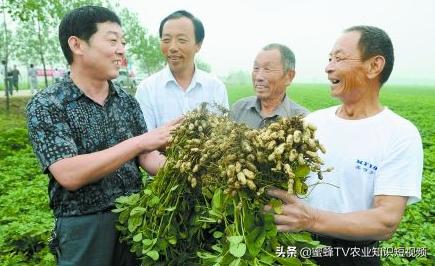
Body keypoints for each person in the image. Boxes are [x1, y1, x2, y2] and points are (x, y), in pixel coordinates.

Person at [26, 6, 180, 265]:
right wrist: (139, 142)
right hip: (83, 227)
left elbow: (147, 156)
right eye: (112, 40)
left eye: (123, 42)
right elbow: (69, 174)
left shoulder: (126, 102)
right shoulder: (48, 104)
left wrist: (190, 171)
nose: (121, 49)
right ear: (77, 44)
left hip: (134, 219)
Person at [265, 26, 423, 266]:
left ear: (374, 66)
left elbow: (386, 221)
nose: (328, 67)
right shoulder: (312, 122)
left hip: (352, 256)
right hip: (295, 247)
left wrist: (312, 219)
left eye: (339, 58)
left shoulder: (399, 133)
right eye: (329, 59)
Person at [135, 10, 229, 130]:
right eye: (166, 40)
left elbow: (223, 136)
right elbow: (145, 140)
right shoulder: (147, 89)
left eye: (182, 40)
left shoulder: (216, 87)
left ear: (198, 45)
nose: (173, 47)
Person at [231, 43, 308, 128]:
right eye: (256, 68)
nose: (258, 77)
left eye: (267, 69)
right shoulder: (238, 109)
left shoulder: (302, 120)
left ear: (289, 76)